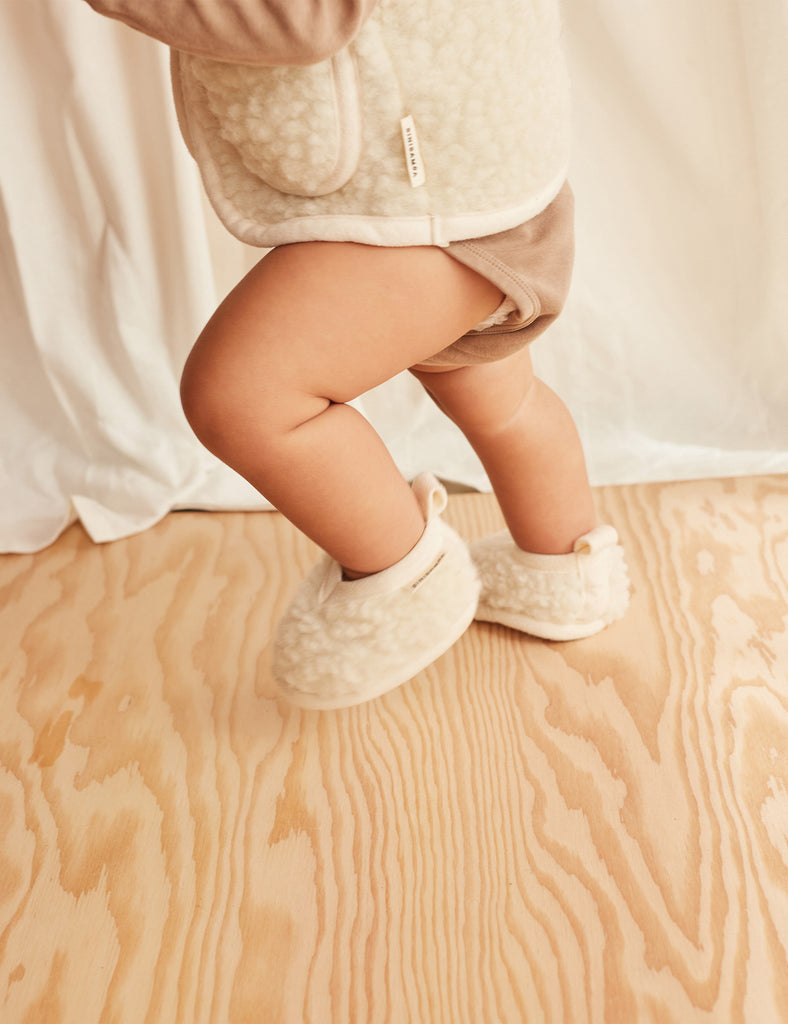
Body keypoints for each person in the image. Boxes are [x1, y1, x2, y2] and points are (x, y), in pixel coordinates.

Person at [83, 0, 630, 708]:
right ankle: (564, 574)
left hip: (428, 199)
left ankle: (402, 577)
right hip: (477, 173)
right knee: (501, 400)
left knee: (243, 396)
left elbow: (304, 21)